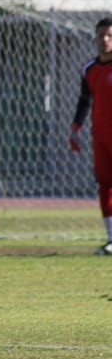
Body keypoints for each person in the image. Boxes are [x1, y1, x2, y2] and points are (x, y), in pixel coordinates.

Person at [70, 17, 112, 255]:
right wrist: (76, 127)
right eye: (101, 35)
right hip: (101, 136)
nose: (104, 40)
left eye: (109, 35)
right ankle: (111, 239)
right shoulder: (89, 69)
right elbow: (85, 100)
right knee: (104, 185)